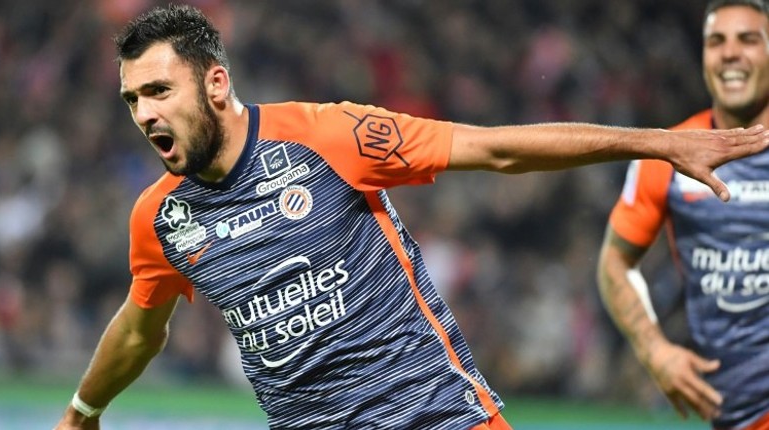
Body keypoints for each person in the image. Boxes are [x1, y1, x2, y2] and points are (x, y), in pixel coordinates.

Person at [54, 4, 769, 430]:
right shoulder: (163, 218)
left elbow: (497, 151)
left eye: (157, 90)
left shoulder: (327, 136)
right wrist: (83, 413)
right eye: (131, 100)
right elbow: (141, 325)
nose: (144, 113)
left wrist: (657, 142)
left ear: (215, 83)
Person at [597, 1, 769, 429]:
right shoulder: (666, 154)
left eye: (749, 39)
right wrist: (655, 350)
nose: (730, 53)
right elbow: (614, 263)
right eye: (716, 41)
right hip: (733, 414)